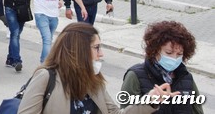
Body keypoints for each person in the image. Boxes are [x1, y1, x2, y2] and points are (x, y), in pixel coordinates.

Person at [18, 22, 175, 114]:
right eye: (96, 48)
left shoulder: (94, 81)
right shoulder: (46, 77)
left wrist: (149, 101)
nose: (101, 54)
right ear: (79, 50)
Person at [121, 21, 203, 114]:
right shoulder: (135, 76)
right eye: (168, 52)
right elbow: (125, 111)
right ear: (155, 50)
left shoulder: (186, 77)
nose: (174, 58)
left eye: (179, 54)